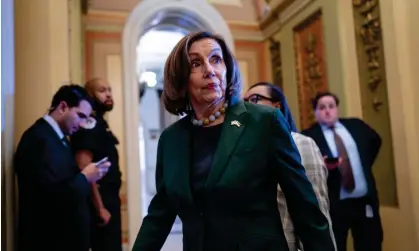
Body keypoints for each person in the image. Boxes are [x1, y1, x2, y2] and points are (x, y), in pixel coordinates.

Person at [132, 31, 335, 251]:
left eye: (216, 60)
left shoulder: (264, 121)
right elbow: (159, 215)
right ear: (181, 77)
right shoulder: (171, 139)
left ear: (227, 68)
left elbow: (304, 205)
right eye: (195, 64)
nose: (209, 71)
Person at [14, 84, 111, 251]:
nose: (81, 124)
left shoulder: (58, 137)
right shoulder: (39, 139)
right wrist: (85, 177)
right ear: (63, 107)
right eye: (80, 116)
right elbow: (51, 196)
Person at [244, 82, 336, 251]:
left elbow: (317, 209)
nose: (247, 106)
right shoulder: (243, 150)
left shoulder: (300, 144)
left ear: (276, 107)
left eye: (255, 99)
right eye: (244, 102)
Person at [301, 92, 383, 251]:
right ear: (315, 112)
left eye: (331, 106)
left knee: (371, 244)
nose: (327, 111)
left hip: (363, 202)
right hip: (334, 206)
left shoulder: (356, 126)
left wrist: (364, 165)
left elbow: (375, 142)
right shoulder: (309, 136)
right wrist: (322, 167)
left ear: (337, 109)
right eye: (322, 107)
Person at [71, 78, 123, 251]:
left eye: (109, 89)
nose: (108, 94)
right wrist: (100, 207)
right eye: (102, 90)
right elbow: (84, 167)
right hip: (100, 203)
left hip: (110, 200)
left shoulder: (100, 123)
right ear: (90, 95)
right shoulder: (90, 124)